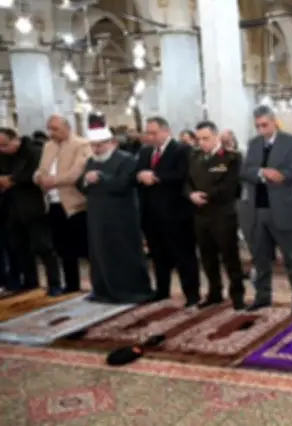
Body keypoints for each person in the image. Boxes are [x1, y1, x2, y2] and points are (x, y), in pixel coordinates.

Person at [77, 122, 154, 304]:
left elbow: (124, 184)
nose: (97, 149)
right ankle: (103, 290)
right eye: (94, 145)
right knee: (100, 252)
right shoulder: (91, 161)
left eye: (100, 145)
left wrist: (101, 178)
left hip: (121, 216)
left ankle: (129, 291)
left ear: (111, 143)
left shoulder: (126, 160)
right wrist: (86, 180)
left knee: (123, 253)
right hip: (97, 215)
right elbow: (80, 185)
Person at [240, 105, 292, 314]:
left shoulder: (291, 142)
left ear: (274, 122)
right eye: (258, 126)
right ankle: (262, 296)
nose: (261, 129)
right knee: (260, 258)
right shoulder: (253, 143)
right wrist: (263, 173)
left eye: (265, 125)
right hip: (258, 209)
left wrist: (282, 175)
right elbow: (245, 171)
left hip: (282, 208)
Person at [136, 116, 200, 306]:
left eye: (154, 133)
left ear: (166, 131)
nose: (150, 137)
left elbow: (183, 175)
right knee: (158, 255)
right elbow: (135, 174)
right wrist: (140, 175)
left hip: (176, 214)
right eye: (148, 133)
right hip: (151, 214)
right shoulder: (145, 152)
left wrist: (156, 177)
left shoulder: (182, 150)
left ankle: (192, 294)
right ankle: (162, 291)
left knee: (183, 256)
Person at [185, 121, 245, 310]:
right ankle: (214, 292)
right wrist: (190, 195)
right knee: (207, 257)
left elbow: (230, 186)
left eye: (206, 138)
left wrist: (206, 196)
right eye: (199, 139)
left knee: (230, 257)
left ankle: (237, 295)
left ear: (216, 136)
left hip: (222, 214)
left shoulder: (231, 157)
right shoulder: (194, 156)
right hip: (200, 214)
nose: (202, 142)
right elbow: (186, 181)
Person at [34, 114, 91, 294]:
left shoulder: (81, 144)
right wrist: (38, 178)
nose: (52, 133)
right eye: (50, 129)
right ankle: (71, 284)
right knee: (63, 247)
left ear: (67, 127)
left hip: (75, 204)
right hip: (53, 203)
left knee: (85, 247)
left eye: (55, 129)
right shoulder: (48, 146)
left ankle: (99, 284)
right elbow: (40, 170)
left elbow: (76, 173)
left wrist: (54, 181)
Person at [0, 128, 61, 293]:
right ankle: (30, 281)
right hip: (11, 207)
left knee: (43, 246)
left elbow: (37, 174)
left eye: (5, 145)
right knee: (19, 247)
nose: (2, 149)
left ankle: (54, 283)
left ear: (16, 139)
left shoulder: (34, 152)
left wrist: (12, 180)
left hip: (34, 205)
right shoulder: (3, 157)